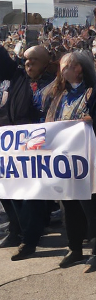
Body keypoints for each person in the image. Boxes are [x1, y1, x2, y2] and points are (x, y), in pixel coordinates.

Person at [42, 51, 96, 273]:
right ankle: (74, 248)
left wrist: (92, 121)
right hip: (66, 161)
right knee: (69, 207)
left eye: (66, 66)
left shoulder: (95, 93)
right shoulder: (60, 96)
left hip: (89, 160)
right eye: (61, 67)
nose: (62, 71)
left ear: (78, 69)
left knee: (92, 208)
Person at [0, 44, 53, 256]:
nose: (28, 64)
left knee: (32, 196)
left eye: (33, 61)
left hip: (39, 147)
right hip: (13, 145)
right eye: (26, 60)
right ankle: (18, 229)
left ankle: (29, 240)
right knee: (8, 190)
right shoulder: (17, 77)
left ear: (45, 63)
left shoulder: (54, 84)